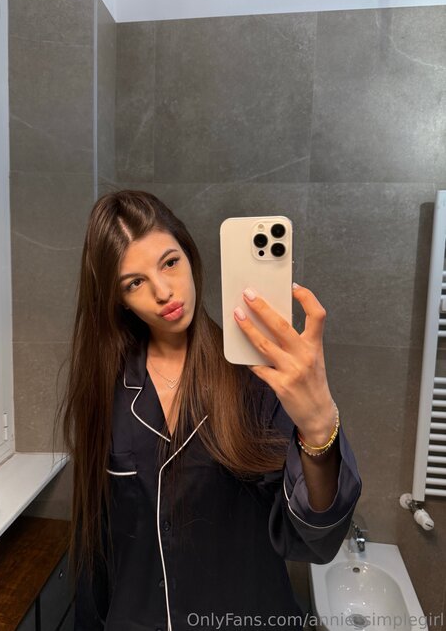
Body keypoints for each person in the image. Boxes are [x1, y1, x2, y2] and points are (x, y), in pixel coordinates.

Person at [60, 189, 361, 631]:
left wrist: (319, 426)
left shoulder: (253, 379)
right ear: (118, 298)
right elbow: (97, 542)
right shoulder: (107, 389)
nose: (163, 292)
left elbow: (311, 542)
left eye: (169, 262)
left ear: (189, 254)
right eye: (134, 283)